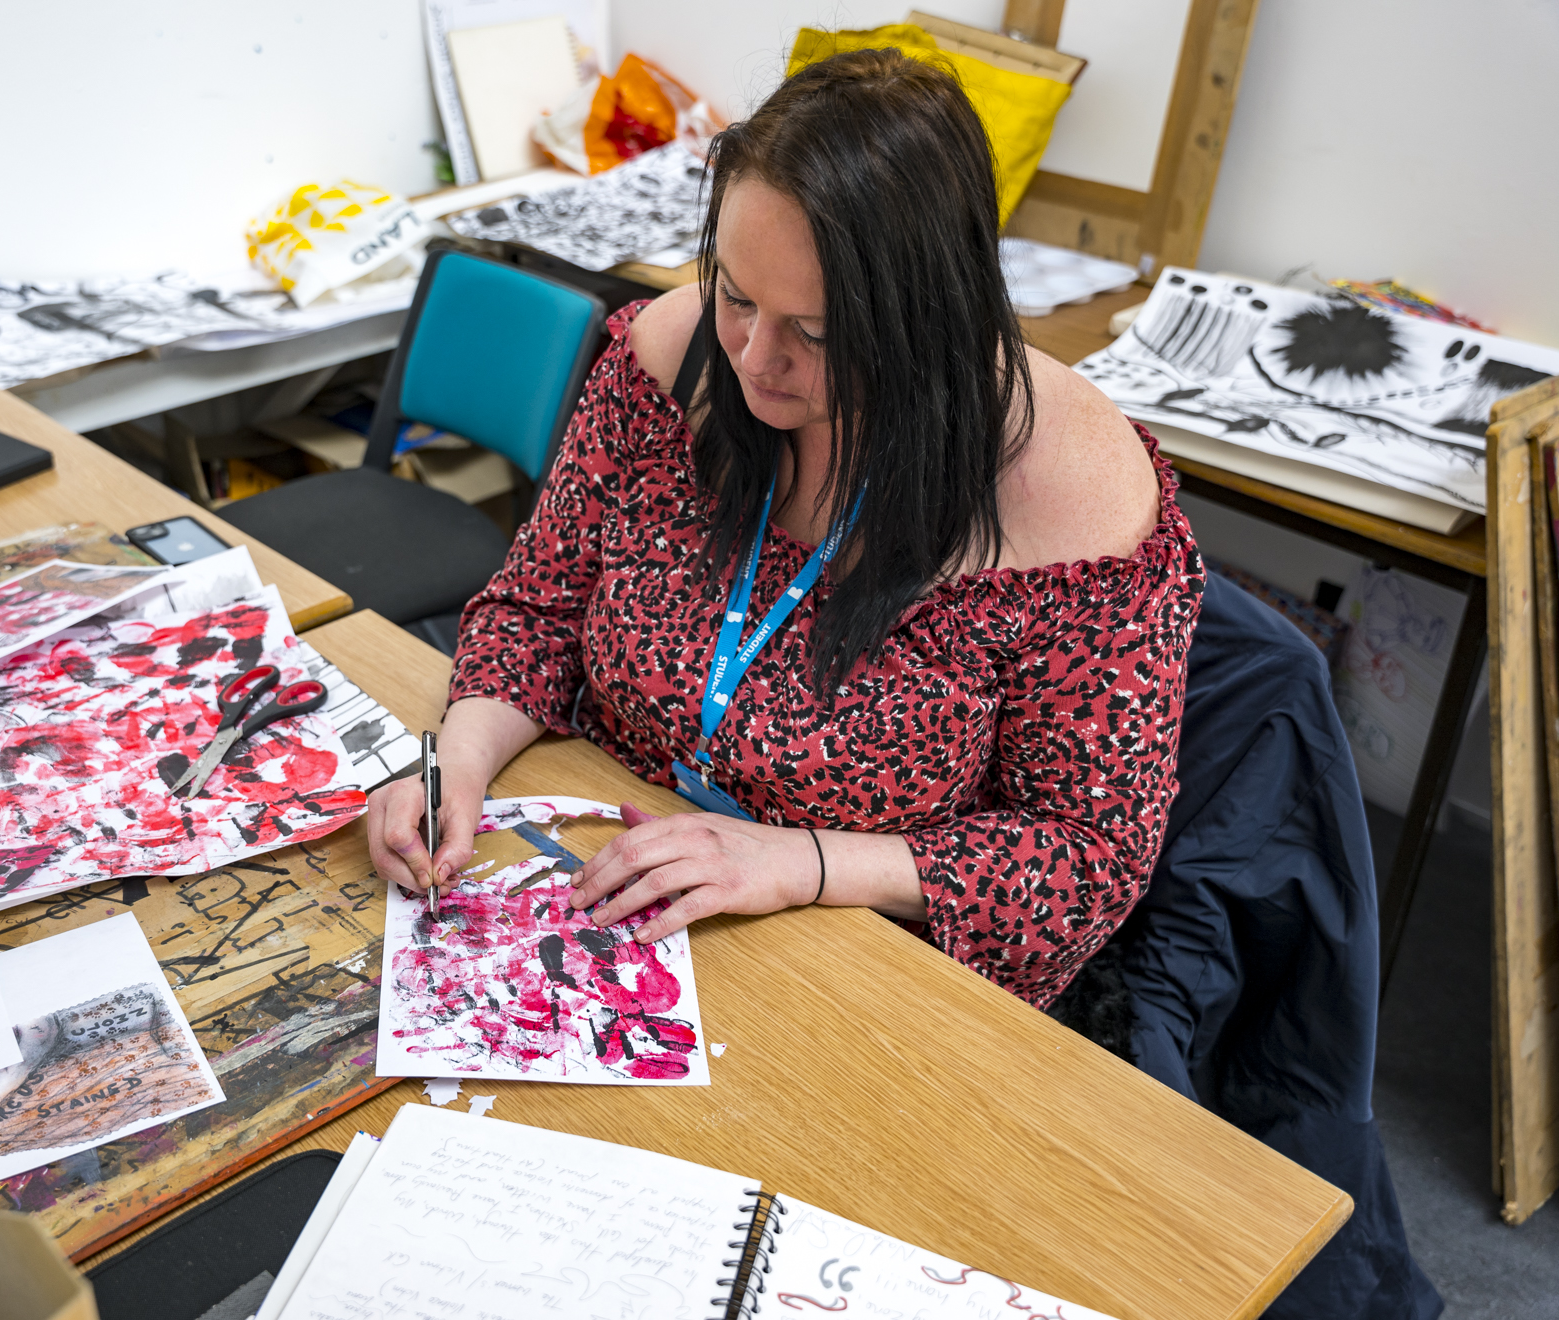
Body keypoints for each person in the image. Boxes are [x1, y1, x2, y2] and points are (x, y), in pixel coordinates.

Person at [368, 48, 1206, 1009]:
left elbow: (1086, 857)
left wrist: (799, 864)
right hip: (609, 876)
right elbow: (537, 610)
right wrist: (456, 766)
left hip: (859, 962)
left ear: (931, 319)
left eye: (814, 332)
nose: (756, 360)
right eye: (736, 293)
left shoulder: (1071, 494)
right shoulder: (669, 362)